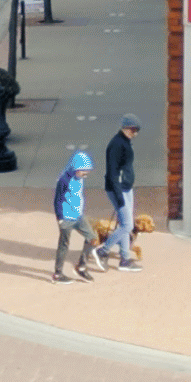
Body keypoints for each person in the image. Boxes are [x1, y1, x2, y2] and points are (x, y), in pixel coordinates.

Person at [96, 117, 144, 271]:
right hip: (118, 189)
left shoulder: (125, 141)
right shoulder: (116, 144)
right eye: (132, 130)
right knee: (127, 224)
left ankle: (125, 259)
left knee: (125, 224)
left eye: (137, 130)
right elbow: (112, 172)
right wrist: (119, 197)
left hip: (126, 188)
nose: (134, 133)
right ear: (124, 127)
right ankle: (102, 251)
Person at [51, 149, 97, 283]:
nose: (86, 174)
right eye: (84, 170)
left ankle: (81, 266)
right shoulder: (64, 180)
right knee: (64, 245)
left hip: (78, 215)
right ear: (76, 167)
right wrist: (59, 218)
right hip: (65, 217)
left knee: (92, 238)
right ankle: (58, 274)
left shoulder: (80, 178)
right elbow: (58, 200)